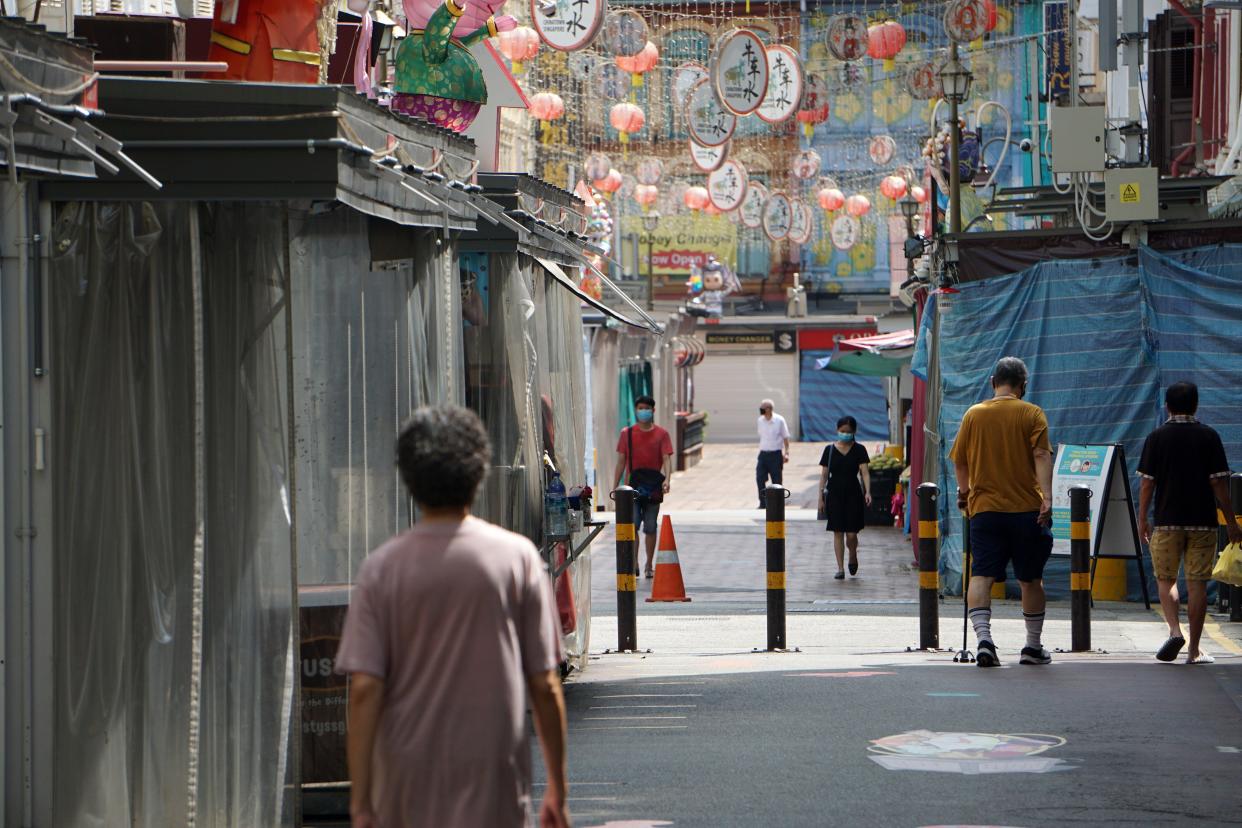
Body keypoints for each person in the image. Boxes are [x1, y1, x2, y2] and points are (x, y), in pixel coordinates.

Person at [336, 407, 570, 828]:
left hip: (404, 785)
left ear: (408, 478)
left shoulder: (380, 570)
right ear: (479, 472)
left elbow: (365, 690)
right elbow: (545, 683)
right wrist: (557, 786)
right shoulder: (516, 559)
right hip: (493, 777)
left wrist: (361, 802)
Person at [950, 356, 1054, 668]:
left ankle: (984, 640)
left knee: (981, 575)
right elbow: (1041, 455)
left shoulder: (974, 414)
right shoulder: (1032, 413)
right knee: (1030, 579)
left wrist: (966, 494)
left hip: (985, 511)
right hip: (1027, 511)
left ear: (993, 382)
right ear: (1023, 385)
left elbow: (959, 461)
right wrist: (1047, 497)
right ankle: (1032, 647)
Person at [1137, 381, 1242, 665]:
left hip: (1167, 522)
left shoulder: (1156, 437)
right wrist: (1231, 522)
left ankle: (1174, 630)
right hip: (1203, 523)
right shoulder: (1209, 436)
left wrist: (1142, 518)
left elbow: (1148, 485)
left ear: (1168, 406)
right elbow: (1219, 485)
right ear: (1196, 405)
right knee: (1196, 584)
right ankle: (1194, 650)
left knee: (1166, 579)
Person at [613, 395, 674, 579]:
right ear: (636, 409)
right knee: (632, 526)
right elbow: (621, 462)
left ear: (653, 411)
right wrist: (615, 485)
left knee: (650, 527)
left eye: (646, 408)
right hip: (633, 488)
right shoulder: (627, 434)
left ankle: (649, 563)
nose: (643, 411)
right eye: (640, 408)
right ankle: (634, 563)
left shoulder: (662, 434)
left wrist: (667, 480)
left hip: (654, 487)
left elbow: (666, 458)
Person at [818, 416, 872, 580]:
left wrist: (867, 492)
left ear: (854, 432)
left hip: (853, 494)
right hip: (834, 494)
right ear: (837, 430)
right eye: (842, 431)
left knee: (851, 534)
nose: (845, 434)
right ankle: (840, 568)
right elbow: (824, 475)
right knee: (837, 531)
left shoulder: (859, 449)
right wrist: (820, 497)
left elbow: (864, 472)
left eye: (848, 432)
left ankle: (853, 553)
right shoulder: (829, 450)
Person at [756, 398, 791, 508]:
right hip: (763, 454)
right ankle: (763, 503)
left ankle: (778, 504)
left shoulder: (779, 420)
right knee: (759, 478)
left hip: (775, 454)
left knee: (777, 480)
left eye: (762, 408)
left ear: (769, 409)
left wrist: (787, 453)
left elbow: (785, 437)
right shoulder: (760, 420)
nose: (761, 410)